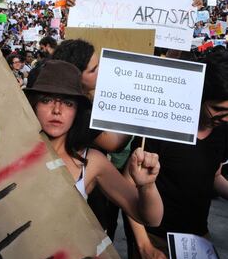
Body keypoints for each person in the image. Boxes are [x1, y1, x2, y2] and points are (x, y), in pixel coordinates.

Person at [24, 60, 163, 227]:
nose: (57, 110)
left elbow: (151, 219)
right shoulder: (11, 152)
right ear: (33, 105)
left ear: (77, 111)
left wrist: (147, 186)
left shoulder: (91, 162)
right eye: (47, 100)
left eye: (68, 103)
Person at [124, 48, 228, 259]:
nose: (225, 118)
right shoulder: (163, 128)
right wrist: (144, 246)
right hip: (157, 239)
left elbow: (215, 176)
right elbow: (127, 186)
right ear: (199, 96)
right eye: (218, 109)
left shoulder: (223, 130)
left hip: (198, 241)